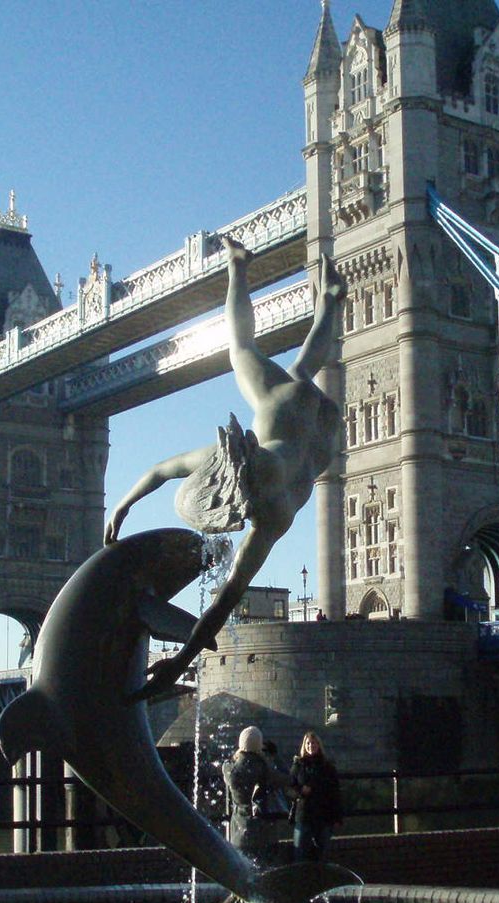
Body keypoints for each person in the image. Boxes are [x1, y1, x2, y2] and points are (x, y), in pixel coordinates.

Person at [105, 236, 346, 700]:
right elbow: (165, 468)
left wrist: (179, 662)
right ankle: (240, 266)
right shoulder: (246, 455)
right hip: (294, 413)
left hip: (325, 438)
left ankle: (327, 300)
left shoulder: (272, 515)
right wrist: (124, 505)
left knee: (282, 362)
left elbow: (226, 598)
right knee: (242, 349)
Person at [222, 725, 296, 865]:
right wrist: (274, 757)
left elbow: (226, 765)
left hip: (239, 828)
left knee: (242, 868)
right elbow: (287, 778)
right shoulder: (263, 769)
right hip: (263, 828)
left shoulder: (230, 769)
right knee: (263, 868)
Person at [289, 729, 343, 862]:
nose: (310, 746)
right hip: (304, 815)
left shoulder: (327, 767)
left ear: (318, 745)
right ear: (304, 746)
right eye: (308, 743)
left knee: (321, 854)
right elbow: (290, 787)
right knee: (300, 853)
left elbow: (335, 792)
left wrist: (337, 817)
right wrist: (301, 790)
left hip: (323, 815)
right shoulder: (298, 765)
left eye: (313, 743)